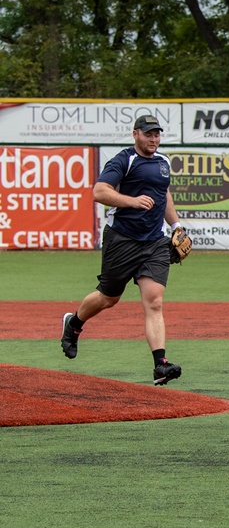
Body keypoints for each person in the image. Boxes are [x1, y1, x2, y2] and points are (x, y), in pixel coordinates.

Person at [60, 115, 184, 386]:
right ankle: (74, 324)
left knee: (155, 301)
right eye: (148, 134)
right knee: (108, 298)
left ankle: (160, 365)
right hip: (122, 239)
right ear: (135, 134)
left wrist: (176, 225)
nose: (153, 139)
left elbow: (164, 195)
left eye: (157, 134)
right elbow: (99, 191)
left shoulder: (163, 163)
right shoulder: (124, 160)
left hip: (154, 243)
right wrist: (131, 201)